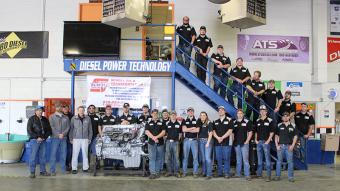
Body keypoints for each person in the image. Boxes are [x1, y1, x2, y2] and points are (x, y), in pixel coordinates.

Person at [27, 106, 52, 178]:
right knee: (33, 157)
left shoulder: (45, 119)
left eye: (41, 110)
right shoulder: (32, 119)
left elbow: (49, 130)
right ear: (35, 111)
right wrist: (37, 137)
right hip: (34, 140)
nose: (40, 112)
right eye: (38, 110)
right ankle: (32, 172)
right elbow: (29, 130)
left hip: (43, 141)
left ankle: (43, 171)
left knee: (43, 156)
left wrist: (44, 137)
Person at [274, 112, 298, 182]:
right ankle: (277, 176)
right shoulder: (279, 125)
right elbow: (276, 136)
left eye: (287, 116)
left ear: (289, 117)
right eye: (284, 116)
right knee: (279, 162)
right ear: (282, 118)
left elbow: (295, 136)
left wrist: (293, 145)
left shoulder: (293, 125)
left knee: (290, 162)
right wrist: (277, 145)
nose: (285, 117)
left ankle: (290, 177)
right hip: (280, 146)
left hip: (289, 147)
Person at [69, 106, 93, 174]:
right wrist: (71, 138)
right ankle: (74, 168)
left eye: (82, 110)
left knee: (85, 154)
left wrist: (90, 138)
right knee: (75, 154)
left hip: (85, 139)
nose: (81, 111)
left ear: (84, 110)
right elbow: (71, 129)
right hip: (76, 139)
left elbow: (90, 129)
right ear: (78, 111)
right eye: (80, 110)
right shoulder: (74, 118)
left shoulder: (88, 118)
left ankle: (85, 168)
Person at [254, 105, 275, 182]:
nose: (262, 112)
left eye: (264, 110)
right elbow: (255, 131)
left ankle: (268, 176)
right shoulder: (257, 121)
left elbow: (272, 132)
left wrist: (268, 141)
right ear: (260, 112)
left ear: (266, 111)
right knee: (259, 159)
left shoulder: (270, 120)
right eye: (261, 110)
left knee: (267, 160)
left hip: (266, 142)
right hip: (259, 142)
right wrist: (256, 139)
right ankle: (259, 174)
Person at [49, 103, 70, 176]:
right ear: (55, 108)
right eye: (58, 106)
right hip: (55, 138)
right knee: (53, 154)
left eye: (60, 106)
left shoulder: (66, 117)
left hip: (63, 138)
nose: (59, 108)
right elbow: (52, 127)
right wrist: (58, 134)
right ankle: (52, 170)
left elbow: (68, 127)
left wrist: (63, 134)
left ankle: (63, 169)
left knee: (63, 154)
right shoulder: (51, 117)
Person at [213, 106, 234, 178]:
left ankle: (226, 173)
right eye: (219, 110)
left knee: (226, 158)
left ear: (225, 111)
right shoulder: (215, 121)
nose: (220, 111)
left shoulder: (229, 120)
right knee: (218, 158)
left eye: (222, 110)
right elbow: (213, 131)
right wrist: (217, 137)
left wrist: (222, 137)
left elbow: (230, 130)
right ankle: (219, 173)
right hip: (217, 142)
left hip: (226, 143)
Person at [145, 109, 166, 179]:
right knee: (152, 158)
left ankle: (157, 172)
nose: (155, 115)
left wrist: (156, 137)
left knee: (159, 158)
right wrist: (154, 138)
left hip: (160, 143)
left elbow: (163, 132)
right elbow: (147, 132)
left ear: (158, 114)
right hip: (151, 143)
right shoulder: (148, 122)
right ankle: (152, 173)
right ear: (151, 114)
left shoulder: (162, 122)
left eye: (156, 113)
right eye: (154, 113)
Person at [233, 109, 253, 180]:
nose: (239, 114)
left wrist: (247, 141)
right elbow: (232, 133)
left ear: (243, 114)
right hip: (236, 144)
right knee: (238, 160)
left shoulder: (247, 122)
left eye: (241, 113)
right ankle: (238, 173)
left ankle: (247, 175)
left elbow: (250, 133)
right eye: (238, 113)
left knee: (245, 160)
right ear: (237, 114)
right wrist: (233, 141)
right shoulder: (234, 122)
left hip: (244, 144)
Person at [181, 107, 200, 177]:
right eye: (189, 111)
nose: (190, 112)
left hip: (194, 141)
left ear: (193, 112)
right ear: (187, 112)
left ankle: (195, 173)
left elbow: (197, 130)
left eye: (192, 111)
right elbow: (183, 130)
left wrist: (187, 129)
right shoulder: (184, 120)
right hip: (186, 140)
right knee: (185, 157)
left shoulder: (197, 120)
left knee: (195, 158)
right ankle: (184, 172)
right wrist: (192, 128)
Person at [98, 105, 118, 170]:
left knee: (112, 150)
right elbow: (99, 127)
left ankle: (112, 164)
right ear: (105, 110)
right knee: (105, 150)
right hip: (105, 137)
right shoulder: (102, 117)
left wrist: (115, 136)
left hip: (112, 137)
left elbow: (117, 127)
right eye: (107, 109)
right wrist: (101, 135)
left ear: (111, 110)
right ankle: (106, 165)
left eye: (109, 109)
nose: (108, 110)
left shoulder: (114, 117)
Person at [164, 111, 182, 178]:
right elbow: (165, 133)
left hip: (176, 142)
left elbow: (180, 133)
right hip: (168, 142)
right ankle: (169, 171)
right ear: (170, 116)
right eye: (172, 115)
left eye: (174, 115)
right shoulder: (167, 123)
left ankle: (176, 172)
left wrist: (177, 140)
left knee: (176, 158)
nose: (173, 116)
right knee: (168, 157)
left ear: (176, 115)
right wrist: (167, 139)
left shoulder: (179, 123)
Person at [197, 111, 213, 179]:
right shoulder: (199, 122)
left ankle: (209, 174)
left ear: (206, 116)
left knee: (207, 158)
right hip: (201, 141)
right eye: (201, 115)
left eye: (204, 115)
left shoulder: (209, 123)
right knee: (203, 159)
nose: (202, 116)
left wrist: (208, 143)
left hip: (207, 141)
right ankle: (204, 172)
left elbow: (211, 133)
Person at [62, 105, 73, 172]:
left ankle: (68, 164)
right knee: (63, 151)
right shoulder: (60, 116)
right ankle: (63, 164)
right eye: (64, 108)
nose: (66, 109)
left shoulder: (72, 116)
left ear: (68, 109)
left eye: (67, 108)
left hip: (70, 137)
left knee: (70, 151)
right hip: (62, 136)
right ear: (62, 109)